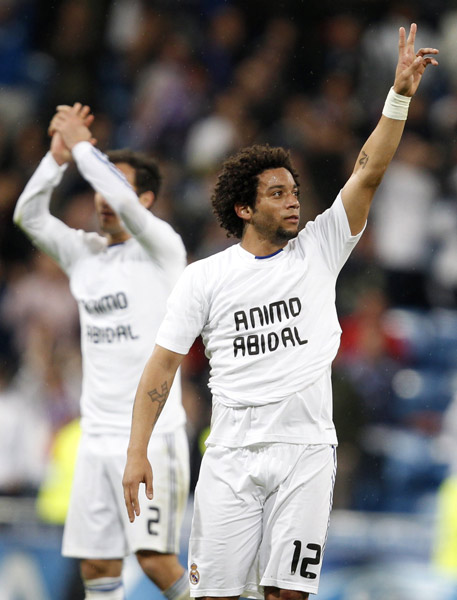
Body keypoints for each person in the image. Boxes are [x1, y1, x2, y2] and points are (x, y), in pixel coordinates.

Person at [123, 24, 438, 600]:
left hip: (307, 453)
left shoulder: (322, 246)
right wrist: (136, 451)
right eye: (277, 193)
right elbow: (161, 370)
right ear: (244, 207)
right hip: (229, 456)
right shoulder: (205, 278)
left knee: (286, 596)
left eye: (294, 190)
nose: (293, 199)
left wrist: (399, 96)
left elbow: (367, 169)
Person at [13, 103, 190, 600]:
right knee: (96, 563)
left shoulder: (163, 250)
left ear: (148, 199)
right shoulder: (84, 254)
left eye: (120, 187)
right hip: (95, 436)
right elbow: (27, 215)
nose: (105, 199)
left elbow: (122, 201)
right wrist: (57, 157)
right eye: (99, 187)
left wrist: (84, 144)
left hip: (153, 435)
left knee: (155, 560)